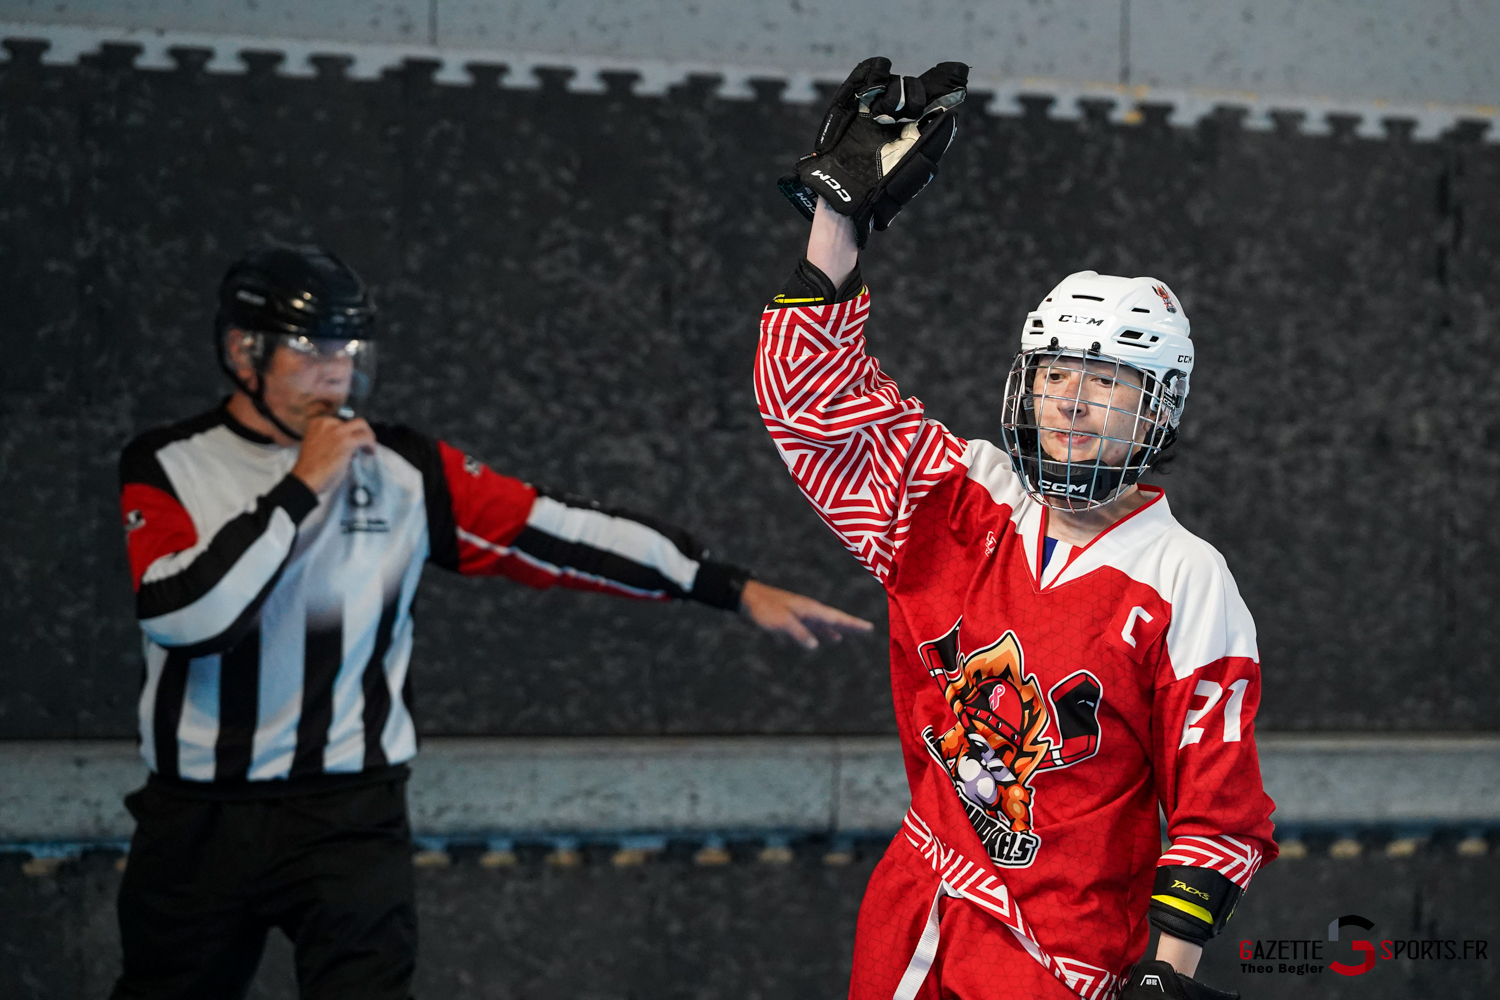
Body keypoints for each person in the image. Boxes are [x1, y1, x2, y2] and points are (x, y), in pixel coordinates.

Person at [113, 245, 872, 999]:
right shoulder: (170, 463)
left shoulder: (401, 467)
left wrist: (728, 587)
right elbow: (184, 618)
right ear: (245, 353)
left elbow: (561, 531)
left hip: (346, 812)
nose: (338, 375)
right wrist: (304, 487)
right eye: (311, 353)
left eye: (348, 351)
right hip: (198, 817)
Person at [758, 58, 1275, 1000]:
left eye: (1107, 381)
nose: (1072, 402)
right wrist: (838, 223)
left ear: (1156, 410)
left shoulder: (1186, 580)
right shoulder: (958, 497)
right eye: (1053, 374)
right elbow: (808, 402)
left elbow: (1219, 811)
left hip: (1062, 965)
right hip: (914, 922)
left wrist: (1166, 975)